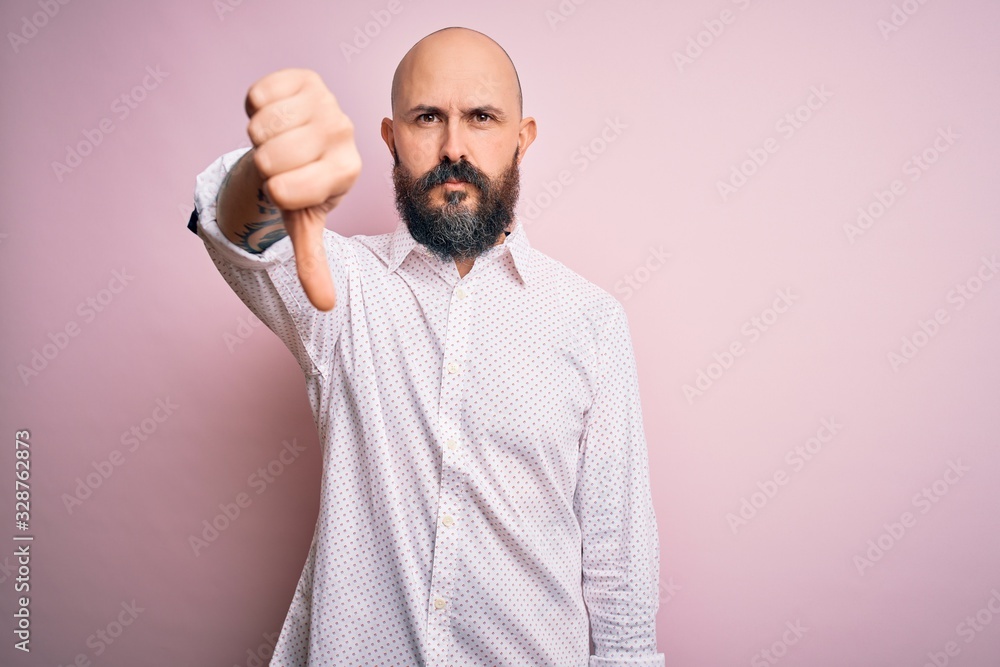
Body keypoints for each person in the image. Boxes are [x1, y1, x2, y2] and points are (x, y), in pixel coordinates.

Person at [188, 26, 664, 667]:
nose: (453, 147)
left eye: (482, 118)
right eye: (427, 117)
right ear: (390, 138)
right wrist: (273, 169)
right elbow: (234, 229)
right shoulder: (340, 290)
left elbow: (620, 567)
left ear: (521, 140)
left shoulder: (592, 322)